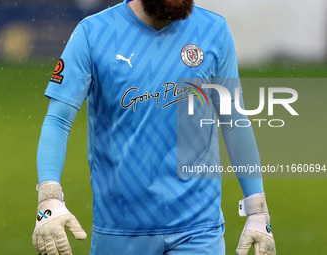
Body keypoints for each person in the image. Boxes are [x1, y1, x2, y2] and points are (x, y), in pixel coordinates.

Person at [32, 0, 276, 254]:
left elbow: (233, 122)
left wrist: (257, 210)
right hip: (119, 230)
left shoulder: (214, 30)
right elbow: (58, 121)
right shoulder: (93, 32)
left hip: (199, 230)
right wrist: (49, 197)